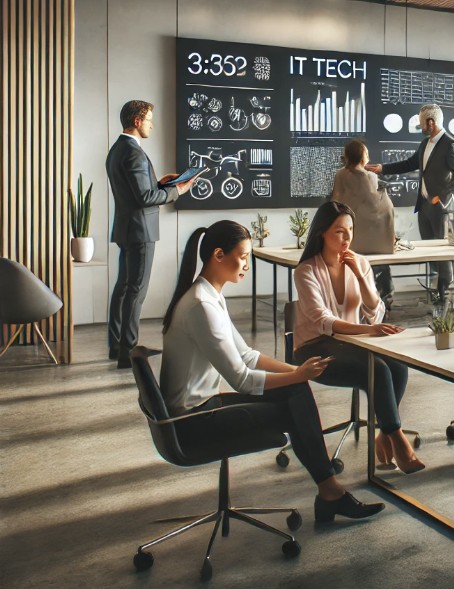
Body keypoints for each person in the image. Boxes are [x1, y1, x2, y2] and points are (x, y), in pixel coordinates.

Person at [160, 220, 385, 523]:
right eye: (243, 257)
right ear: (217, 255)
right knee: (294, 402)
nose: (247, 266)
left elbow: (247, 355)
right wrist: (298, 375)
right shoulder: (201, 305)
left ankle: (330, 490)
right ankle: (330, 492)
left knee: (295, 390)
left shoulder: (208, 295)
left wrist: (296, 370)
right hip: (193, 422)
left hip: (200, 409)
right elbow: (240, 378)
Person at [293, 202, 423, 474]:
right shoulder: (306, 271)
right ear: (322, 233)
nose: (347, 237)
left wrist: (362, 278)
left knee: (398, 366)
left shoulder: (360, 262)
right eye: (339, 231)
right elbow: (323, 322)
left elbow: (375, 315)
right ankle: (397, 438)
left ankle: (384, 434)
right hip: (313, 348)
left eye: (350, 230)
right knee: (376, 368)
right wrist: (368, 331)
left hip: (352, 343)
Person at [107, 100, 195, 369]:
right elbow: (145, 198)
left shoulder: (117, 149)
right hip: (140, 231)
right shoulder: (133, 152)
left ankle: (117, 346)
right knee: (136, 291)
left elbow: (137, 190)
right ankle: (129, 353)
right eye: (148, 120)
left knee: (123, 288)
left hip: (126, 228)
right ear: (137, 121)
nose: (151, 125)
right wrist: (177, 191)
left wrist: (160, 183)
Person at [366, 104, 454, 300]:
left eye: (421, 124)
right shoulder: (425, 144)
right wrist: (382, 168)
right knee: (429, 251)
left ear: (431, 122)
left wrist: (441, 196)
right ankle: (436, 290)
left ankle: (444, 293)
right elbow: (409, 164)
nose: (421, 128)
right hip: (425, 206)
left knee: (442, 252)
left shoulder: (451, 144)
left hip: (441, 208)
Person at [330, 140, 396, 309]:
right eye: (366, 153)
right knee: (381, 267)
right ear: (361, 156)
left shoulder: (340, 175)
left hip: (348, 239)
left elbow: (336, 202)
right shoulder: (371, 177)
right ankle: (384, 302)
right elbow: (377, 208)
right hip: (370, 239)